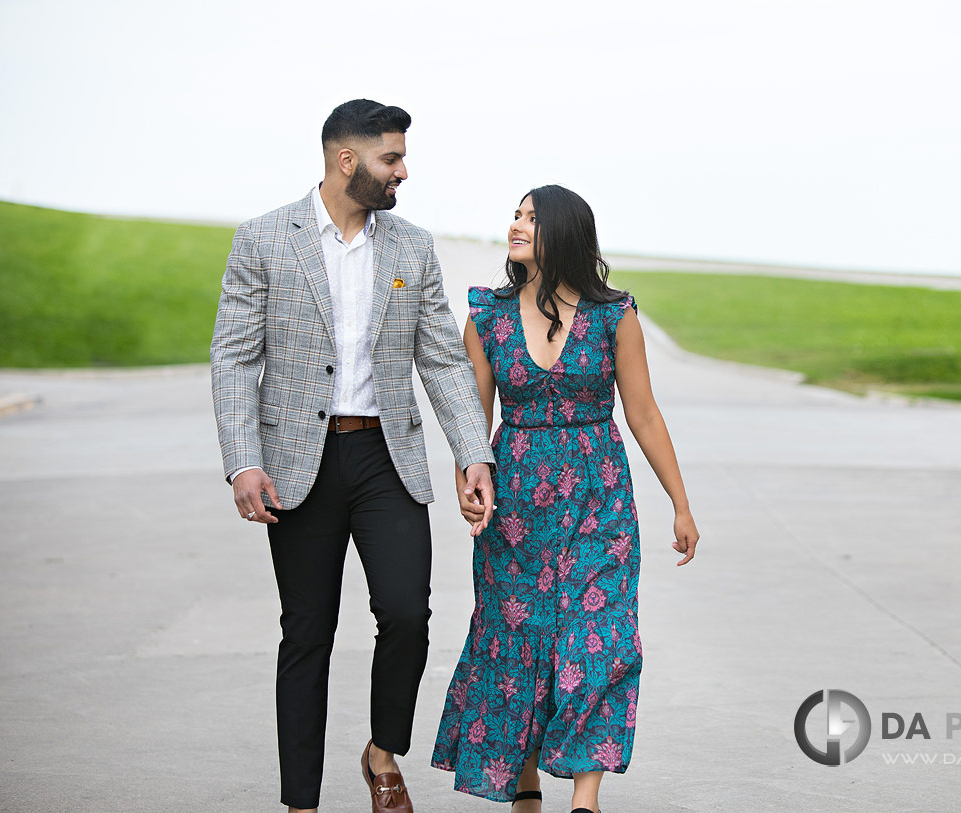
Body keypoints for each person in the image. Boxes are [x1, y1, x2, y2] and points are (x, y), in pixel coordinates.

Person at [211, 99, 497, 813]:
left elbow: (441, 359)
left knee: (406, 612)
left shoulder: (411, 247)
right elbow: (233, 357)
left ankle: (380, 752)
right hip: (297, 463)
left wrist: (473, 453)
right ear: (348, 161)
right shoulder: (265, 239)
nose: (403, 171)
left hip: (384, 455)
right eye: (390, 159)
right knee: (306, 631)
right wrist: (243, 460)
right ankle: (301, 803)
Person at [431, 185, 700, 813]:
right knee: (514, 639)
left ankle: (586, 797)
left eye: (532, 217)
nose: (516, 225)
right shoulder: (488, 314)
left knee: (599, 639)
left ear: (565, 232)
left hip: (598, 500)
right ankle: (526, 792)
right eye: (516, 215)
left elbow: (644, 414)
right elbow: (473, 418)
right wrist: (469, 483)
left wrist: (680, 504)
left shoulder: (615, 314)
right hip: (516, 505)